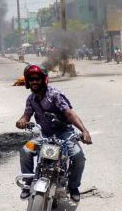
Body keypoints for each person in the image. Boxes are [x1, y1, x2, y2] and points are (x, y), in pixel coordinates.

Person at [16, 64, 92, 202]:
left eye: (37, 79)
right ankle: (27, 184)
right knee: (25, 151)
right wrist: (21, 121)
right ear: (27, 82)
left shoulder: (55, 95)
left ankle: (74, 186)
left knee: (78, 156)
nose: (34, 82)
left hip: (64, 134)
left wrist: (84, 131)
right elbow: (26, 115)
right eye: (31, 79)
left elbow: (70, 114)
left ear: (43, 80)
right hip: (43, 135)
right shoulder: (31, 99)